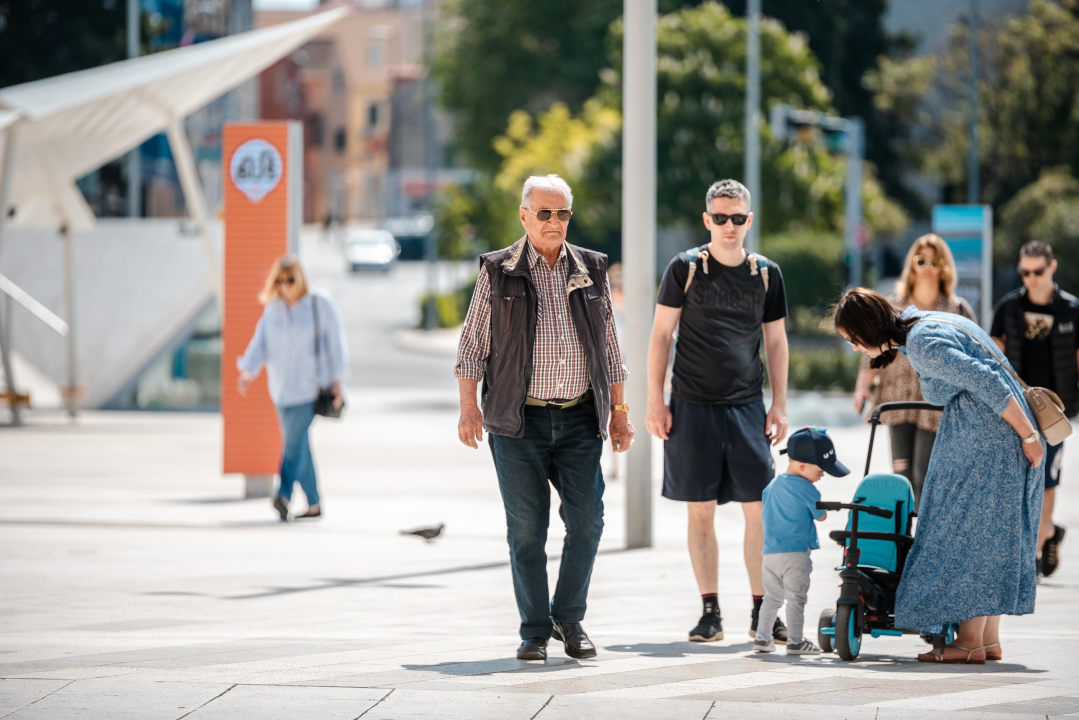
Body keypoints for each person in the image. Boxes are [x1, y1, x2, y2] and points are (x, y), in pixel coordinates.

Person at [454, 174, 634, 662]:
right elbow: (472, 346)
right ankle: (535, 630)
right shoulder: (499, 271)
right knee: (526, 532)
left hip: (579, 418)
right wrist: (469, 408)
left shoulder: (591, 268)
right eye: (545, 213)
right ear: (524, 216)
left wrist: (619, 413)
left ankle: (569, 618)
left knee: (588, 521)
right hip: (518, 422)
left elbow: (611, 350)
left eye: (563, 213)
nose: (555, 222)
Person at [834, 288, 1044, 664]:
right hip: (994, 436)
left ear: (867, 330)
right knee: (990, 533)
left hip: (988, 440)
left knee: (966, 533)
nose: (854, 348)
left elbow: (986, 380)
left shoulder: (922, 342)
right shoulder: (928, 321)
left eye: (853, 339)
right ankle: (985, 640)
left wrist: (1028, 436)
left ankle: (969, 642)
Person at [645, 179, 790, 644]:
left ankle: (762, 610)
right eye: (722, 218)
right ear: (707, 220)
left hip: (746, 407)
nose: (730, 226)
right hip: (692, 406)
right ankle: (710, 612)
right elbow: (661, 336)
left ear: (749, 220)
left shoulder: (766, 274)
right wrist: (655, 400)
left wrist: (779, 403)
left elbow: (776, 341)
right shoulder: (685, 268)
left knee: (759, 511)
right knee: (700, 512)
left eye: (738, 218)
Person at [852, 234, 976, 509]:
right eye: (921, 261)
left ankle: (923, 531)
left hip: (936, 403)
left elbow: (972, 357)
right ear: (912, 265)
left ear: (944, 266)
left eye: (935, 261)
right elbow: (872, 351)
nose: (928, 267)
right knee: (901, 476)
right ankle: (903, 531)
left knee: (924, 475)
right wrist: (862, 387)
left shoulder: (957, 308)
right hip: (897, 398)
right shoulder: (894, 306)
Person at [237, 254, 347, 521]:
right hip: (280, 391)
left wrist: (337, 382)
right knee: (300, 446)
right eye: (280, 281)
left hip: (308, 390)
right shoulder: (273, 309)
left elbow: (335, 343)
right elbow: (260, 343)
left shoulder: (319, 304)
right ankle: (314, 504)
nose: (285, 286)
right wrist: (248, 370)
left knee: (293, 444)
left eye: (290, 280)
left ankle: (283, 495)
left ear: (300, 279)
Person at [991, 241, 1076, 577]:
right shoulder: (1008, 307)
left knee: (1047, 482)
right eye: (1024, 272)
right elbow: (994, 357)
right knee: (1015, 480)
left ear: (1051, 267)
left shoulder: (1071, 310)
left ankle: (1031, 557)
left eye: (1037, 271)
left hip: (1055, 412)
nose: (1030, 278)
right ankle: (1045, 535)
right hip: (1016, 408)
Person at [753, 427, 848, 655]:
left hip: (770, 554)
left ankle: (762, 638)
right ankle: (795, 641)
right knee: (796, 598)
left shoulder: (771, 486)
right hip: (795, 554)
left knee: (772, 597)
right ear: (802, 466)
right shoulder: (807, 488)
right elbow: (821, 516)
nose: (822, 475)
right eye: (820, 470)